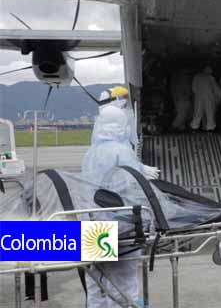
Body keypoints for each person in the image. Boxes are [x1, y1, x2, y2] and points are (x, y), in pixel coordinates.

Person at [81, 105, 160, 308]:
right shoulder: (122, 151)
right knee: (123, 286)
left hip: (91, 225)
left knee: (96, 284)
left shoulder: (90, 152)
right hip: (119, 228)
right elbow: (130, 188)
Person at [190, 66, 221, 131]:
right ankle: (210, 129)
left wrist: (199, 93)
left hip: (199, 98)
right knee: (210, 114)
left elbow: (193, 88)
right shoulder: (210, 78)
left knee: (197, 113)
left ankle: (194, 128)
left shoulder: (196, 76)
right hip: (209, 98)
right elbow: (216, 89)